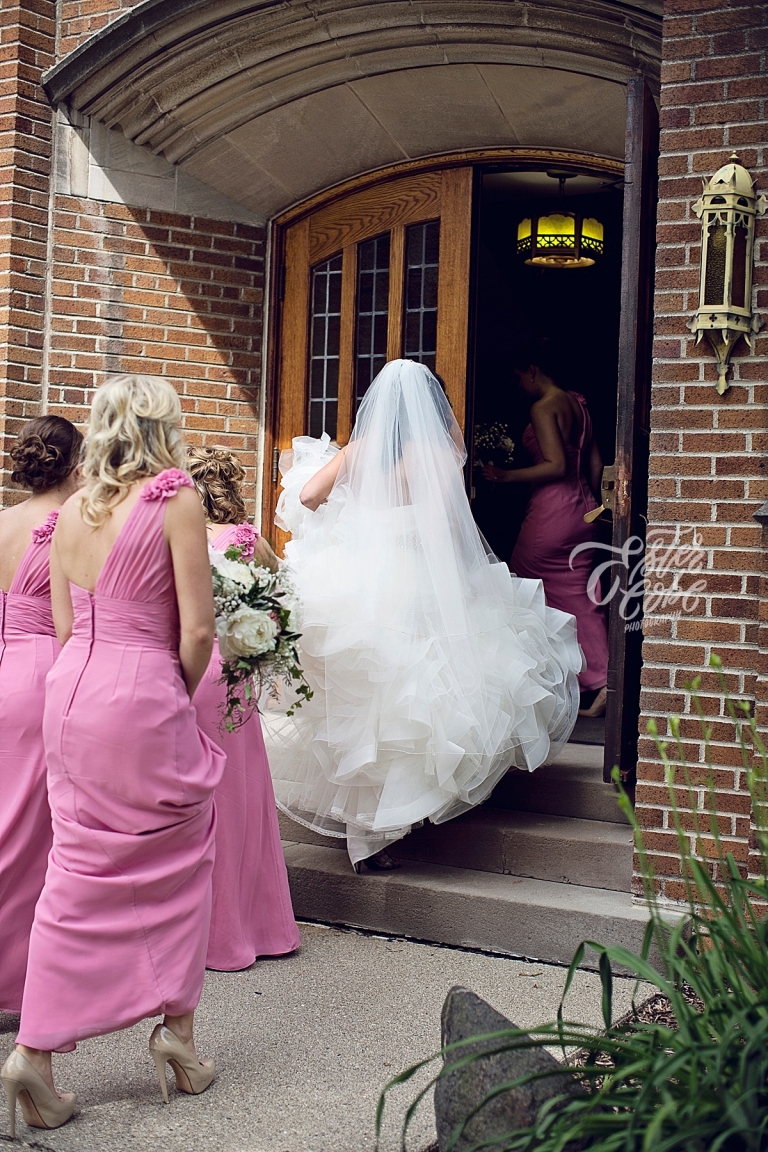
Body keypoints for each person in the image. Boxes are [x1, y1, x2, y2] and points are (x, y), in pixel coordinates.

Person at [1, 375, 225, 1138]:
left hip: (70, 695)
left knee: (75, 868)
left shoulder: (67, 513)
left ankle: (36, 1051)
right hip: (139, 690)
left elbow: (65, 630)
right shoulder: (173, 498)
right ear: (163, 426)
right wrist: (171, 693)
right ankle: (179, 1037)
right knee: (183, 855)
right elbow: (197, 633)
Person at [263, 358, 582, 870]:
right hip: (412, 578)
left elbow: (307, 495)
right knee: (413, 704)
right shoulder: (436, 453)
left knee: (364, 705)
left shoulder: (361, 448)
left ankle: (367, 833)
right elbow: (445, 527)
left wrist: (358, 517)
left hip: (359, 579)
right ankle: (387, 824)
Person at [188, 446, 300, 970]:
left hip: (182, 670)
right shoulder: (245, 541)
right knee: (240, 798)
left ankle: (194, 932)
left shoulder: (176, 540)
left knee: (192, 798)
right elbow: (281, 597)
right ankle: (253, 928)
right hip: (230, 675)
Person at [0, 417, 83, 1017]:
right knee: (28, 836)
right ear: (74, 465)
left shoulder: (2, 521)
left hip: (5, 668)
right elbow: (65, 625)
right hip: (41, 677)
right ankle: (16, 984)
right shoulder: (60, 529)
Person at [482, 342, 609, 718]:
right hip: (582, 509)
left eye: (519, 378)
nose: (520, 386)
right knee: (579, 595)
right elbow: (597, 460)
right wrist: (592, 501)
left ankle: (542, 681)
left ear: (532, 370)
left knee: (522, 586)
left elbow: (554, 465)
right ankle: (601, 682)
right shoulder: (578, 405)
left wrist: (504, 476)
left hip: (552, 513)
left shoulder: (543, 407)